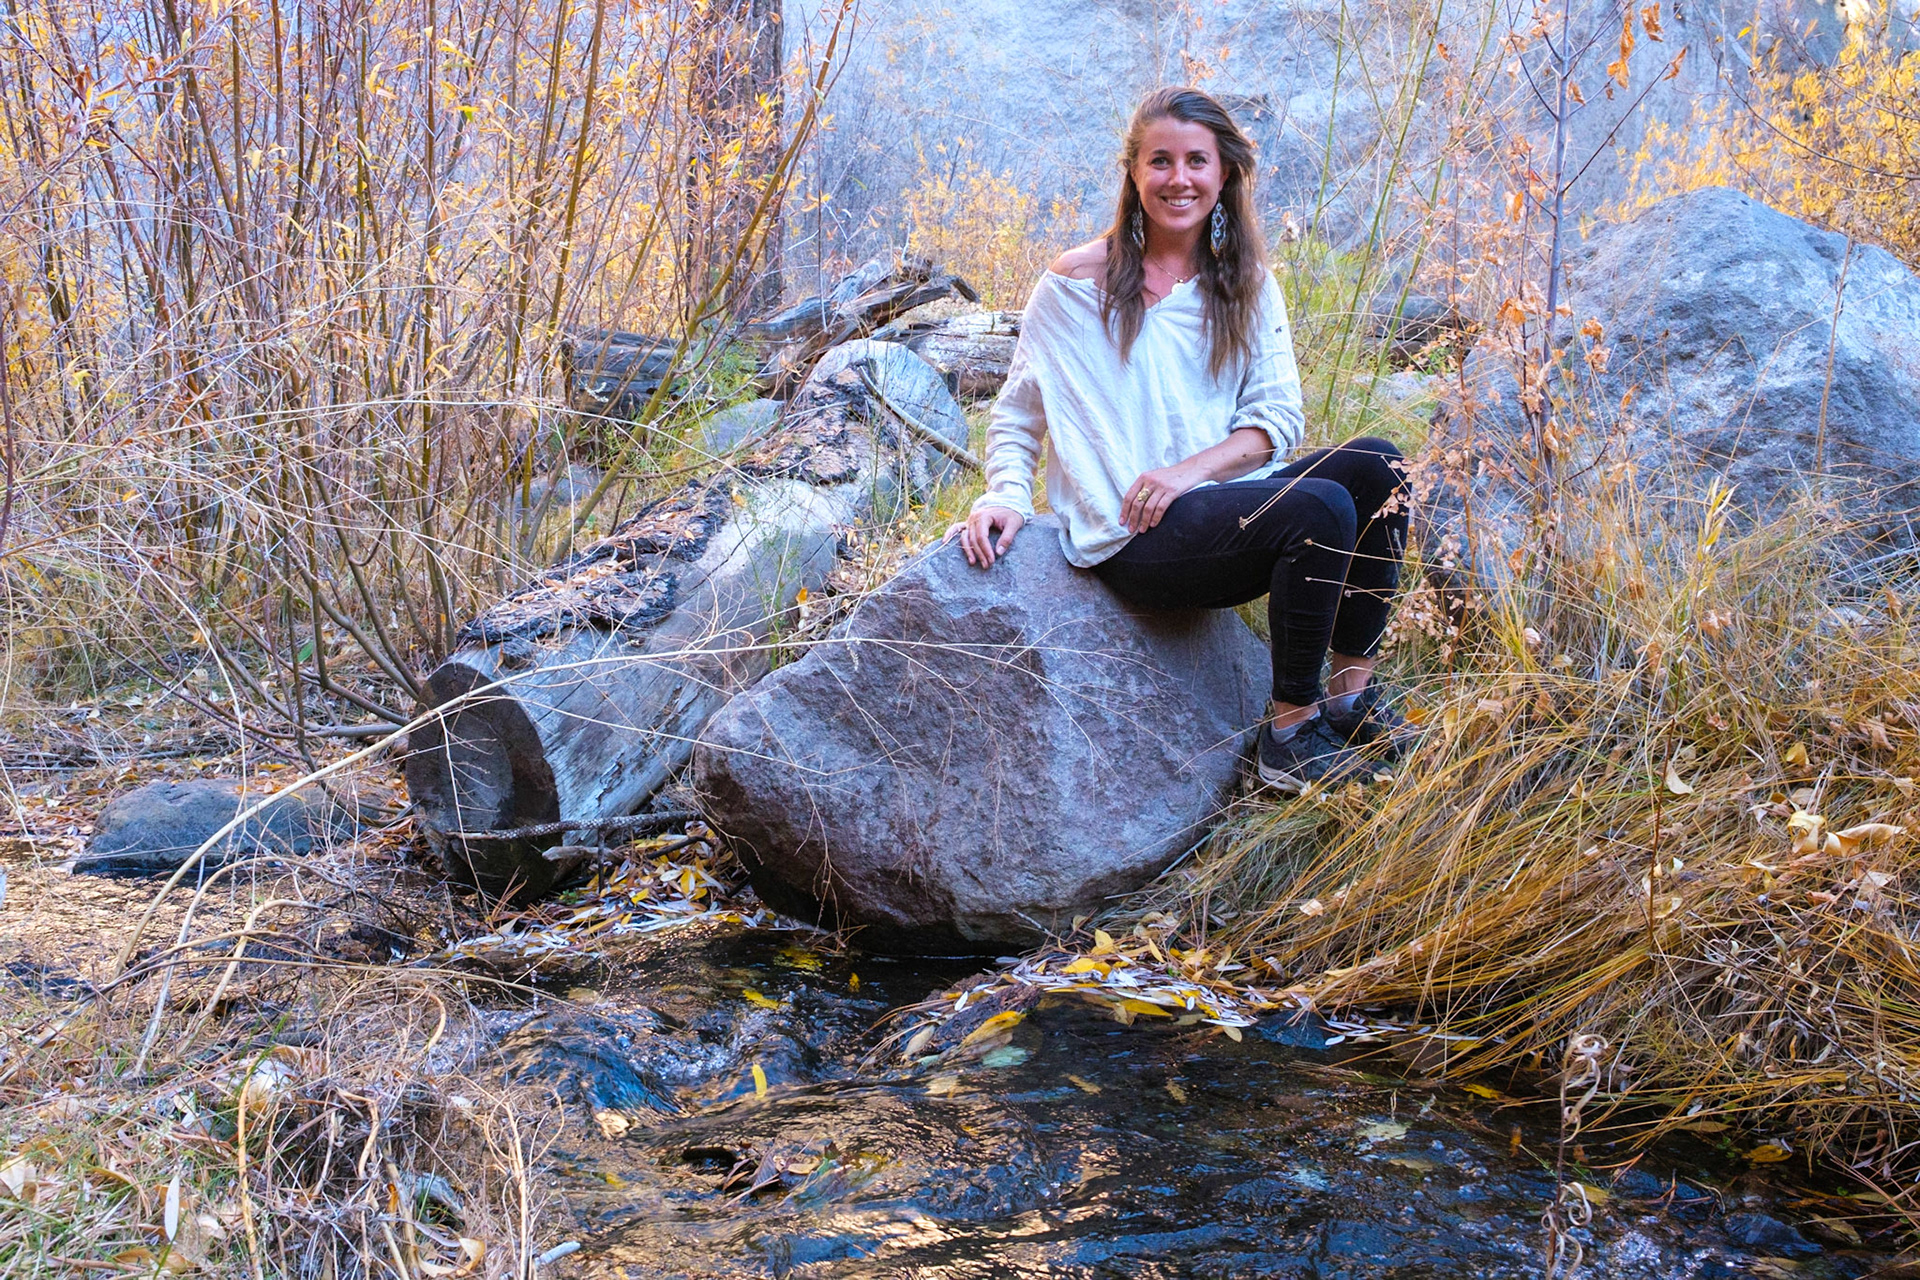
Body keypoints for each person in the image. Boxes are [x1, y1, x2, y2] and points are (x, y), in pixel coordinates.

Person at [947, 86, 1412, 793]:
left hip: (1216, 506)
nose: (1179, 178)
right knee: (1318, 510)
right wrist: (1004, 495)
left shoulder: (1248, 285)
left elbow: (1278, 421)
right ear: (1134, 173)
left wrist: (1187, 472)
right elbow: (1018, 413)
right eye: (1160, 161)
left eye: (1197, 160)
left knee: (1380, 467)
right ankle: (1289, 735)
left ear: (1224, 173)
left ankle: (1347, 699)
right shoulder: (1075, 287)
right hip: (1133, 535)